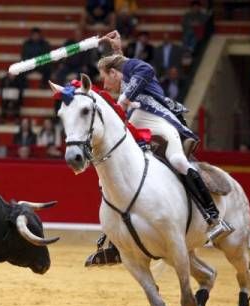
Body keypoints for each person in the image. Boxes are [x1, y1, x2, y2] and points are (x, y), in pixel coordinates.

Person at [87, 30, 234, 265]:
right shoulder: (125, 72)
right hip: (136, 125)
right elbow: (125, 69)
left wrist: (123, 100)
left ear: (114, 73)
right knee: (114, 174)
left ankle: (214, 218)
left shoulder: (137, 70)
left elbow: (143, 70)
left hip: (159, 122)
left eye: (106, 76)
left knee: (177, 161)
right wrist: (117, 50)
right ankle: (115, 240)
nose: (104, 83)